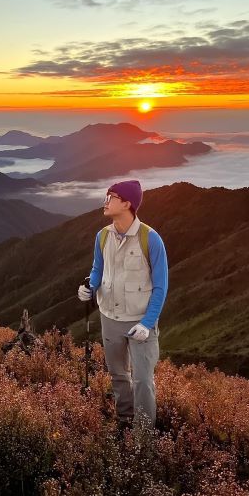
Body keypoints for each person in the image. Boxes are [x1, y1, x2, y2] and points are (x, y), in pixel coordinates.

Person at [77, 179, 168, 431]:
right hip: (110, 317)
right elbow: (98, 269)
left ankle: (143, 437)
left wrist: (147, 324)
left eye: (111, 197)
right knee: (118, 374)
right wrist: (89, 287)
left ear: (127, 204)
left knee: (143, 381)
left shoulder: (151, 239)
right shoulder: (102, 236)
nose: (105, 202)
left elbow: (161, 287)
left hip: (140, 321)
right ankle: (124, 421)